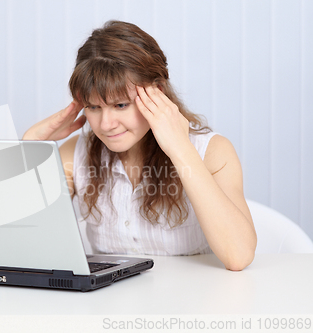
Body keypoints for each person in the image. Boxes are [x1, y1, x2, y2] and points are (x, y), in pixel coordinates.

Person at [23, 20, 256, 271]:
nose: (106, 124)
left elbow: (238, 256)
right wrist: (31, 145)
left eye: (121, 105)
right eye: (94, 107)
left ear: (157, 92)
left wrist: (179, 147)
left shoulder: (212, 151)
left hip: (194, 302)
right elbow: (21, 240)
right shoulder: (74, 155)